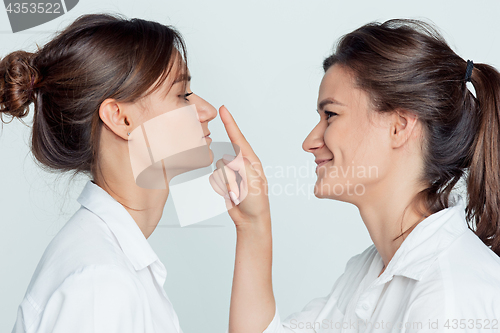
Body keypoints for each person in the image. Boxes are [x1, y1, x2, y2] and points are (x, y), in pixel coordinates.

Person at [211, 19, 500, 332]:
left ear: (399, 126)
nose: (309, 142)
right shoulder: (370, 270)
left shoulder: (450, 297)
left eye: (331, 115)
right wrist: (252, 225)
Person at [1, 13, 217, 333]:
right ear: (120, 118)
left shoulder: (108, 265)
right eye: (182, 94)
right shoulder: (100, 284)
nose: (207, 110)